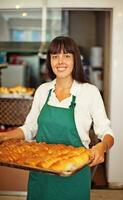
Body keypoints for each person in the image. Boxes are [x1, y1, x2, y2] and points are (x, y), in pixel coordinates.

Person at [0, 36, 114, 200]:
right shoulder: (43, 91)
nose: (60, 61)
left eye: (66, 55)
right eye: (55, 56)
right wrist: (3, 136)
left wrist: (102, 147)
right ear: (50, 61)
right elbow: (30, 129)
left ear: (75, 59)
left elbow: (106, 132)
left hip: (74, 177)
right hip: (41, 174)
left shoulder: (89, 92)